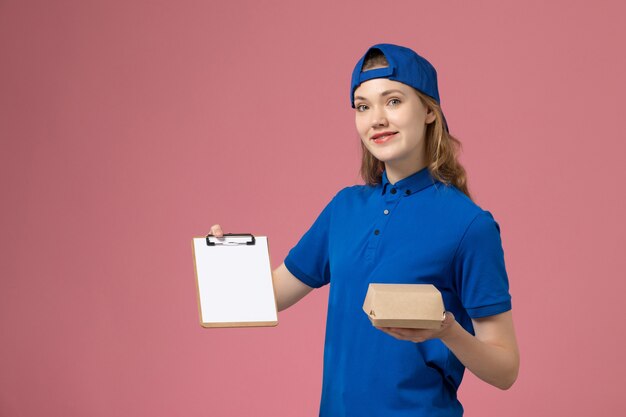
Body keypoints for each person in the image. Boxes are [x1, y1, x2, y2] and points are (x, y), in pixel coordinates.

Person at [210, 43, 519, 417]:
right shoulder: (344, 209)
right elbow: (267, 296)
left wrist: (447, 331)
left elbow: (505, 370)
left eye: (393, 101)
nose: (376, 119)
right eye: (363, 106)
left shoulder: (470, 225)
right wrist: (222, 260)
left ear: (429, 112)